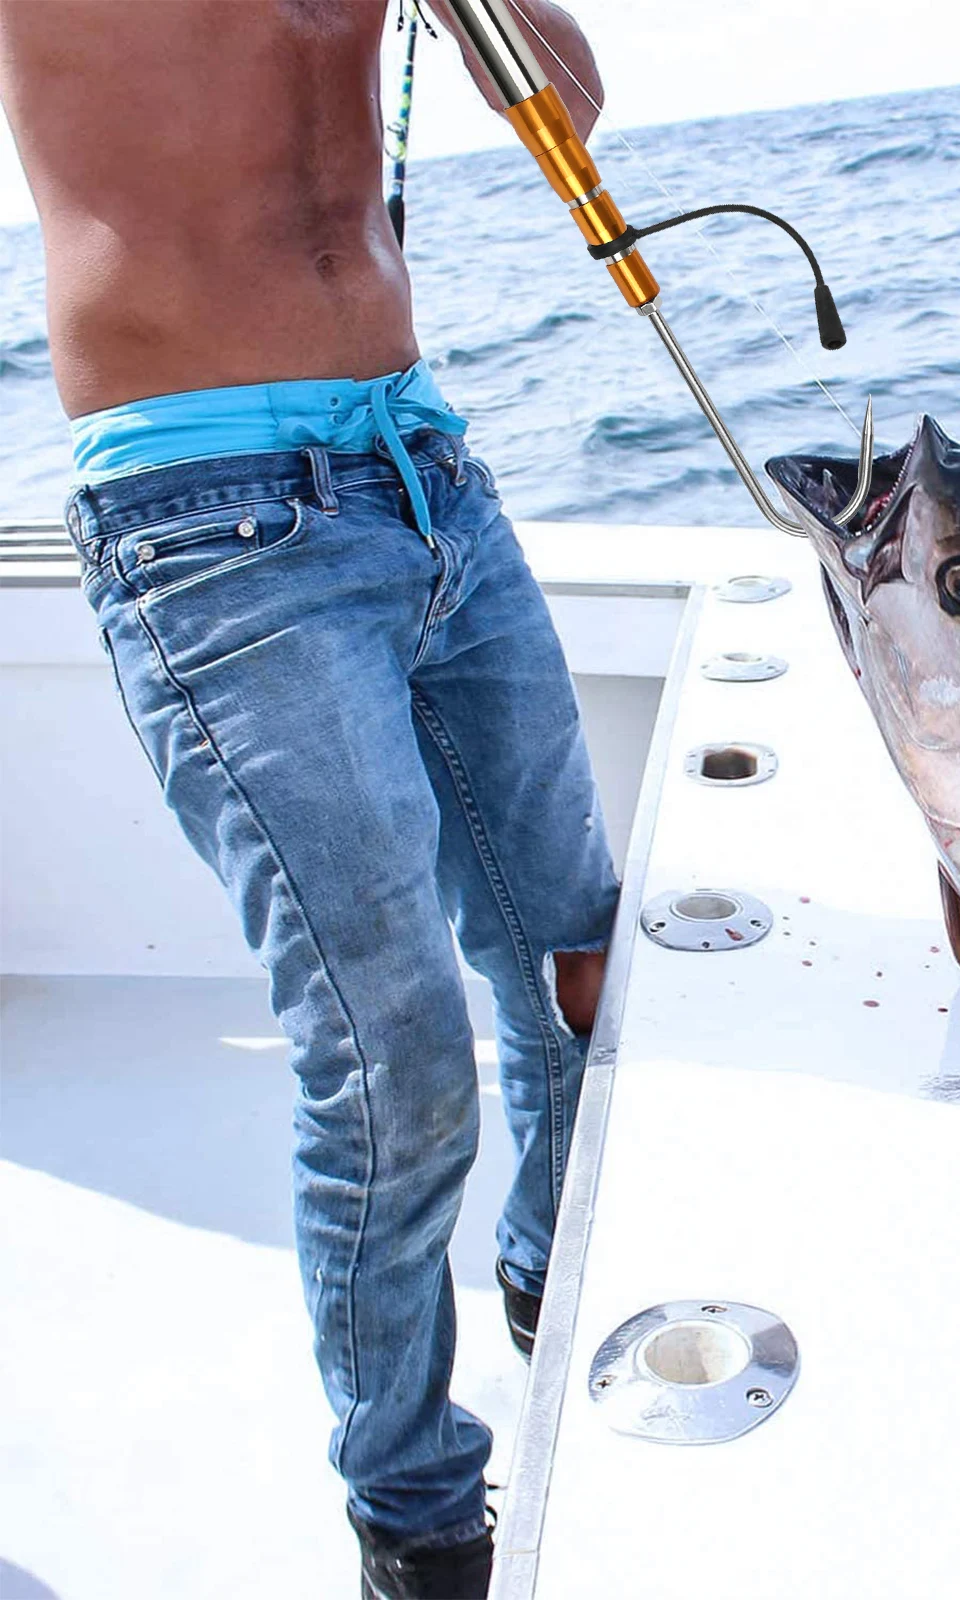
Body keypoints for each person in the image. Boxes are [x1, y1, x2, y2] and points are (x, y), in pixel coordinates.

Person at [0, 3, 616, 1595]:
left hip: (425, 475)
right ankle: (412, 1514)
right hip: (203, 521)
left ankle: (553, 1281)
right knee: (392, 1050)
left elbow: (572, 103)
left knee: (580, 962)